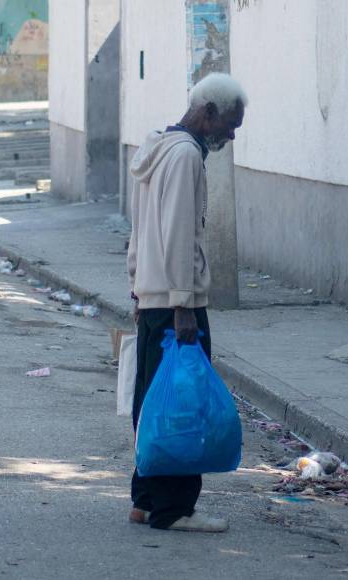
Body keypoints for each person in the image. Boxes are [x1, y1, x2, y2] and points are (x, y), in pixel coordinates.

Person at [125, 73, 247, 532]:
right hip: (175, 302)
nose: (230, 136)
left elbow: (139, 229)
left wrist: (138, 286)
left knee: (153, 401)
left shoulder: (158, 147)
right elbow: (178, 233)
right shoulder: (184, 156)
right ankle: (174, 508)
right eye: (229, 124)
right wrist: (183, 305)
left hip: (153, 296)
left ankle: (145, 499)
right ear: (207, 112)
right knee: (182, 406)